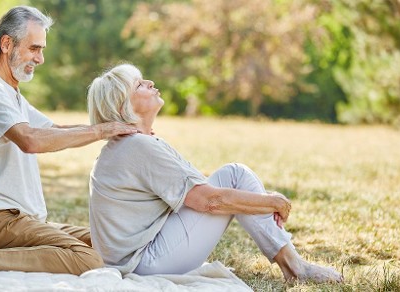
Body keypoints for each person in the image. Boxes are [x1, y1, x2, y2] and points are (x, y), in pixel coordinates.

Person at [86, 63, 343, 283]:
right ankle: (296, 267)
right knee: (235, 175)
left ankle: (293, 264)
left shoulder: (130, 144)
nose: (151, 83)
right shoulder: (138, 147)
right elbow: (209, 200)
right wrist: (272, 202)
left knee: (234, 177)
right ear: (124, 105)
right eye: (140, 85)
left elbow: (197, 188)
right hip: (144, 265)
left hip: (136, 260)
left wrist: (261, 200)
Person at [0, 6, 138, 275]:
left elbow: (55, 129)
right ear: (7, 44)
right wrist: (102, 131)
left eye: (41, 49)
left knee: (105, 243)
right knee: (87, 259)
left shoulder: (12, 94)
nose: (41, 58)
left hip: (22, 219)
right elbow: (30, 140)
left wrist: (110, 128)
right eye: (35, 48)